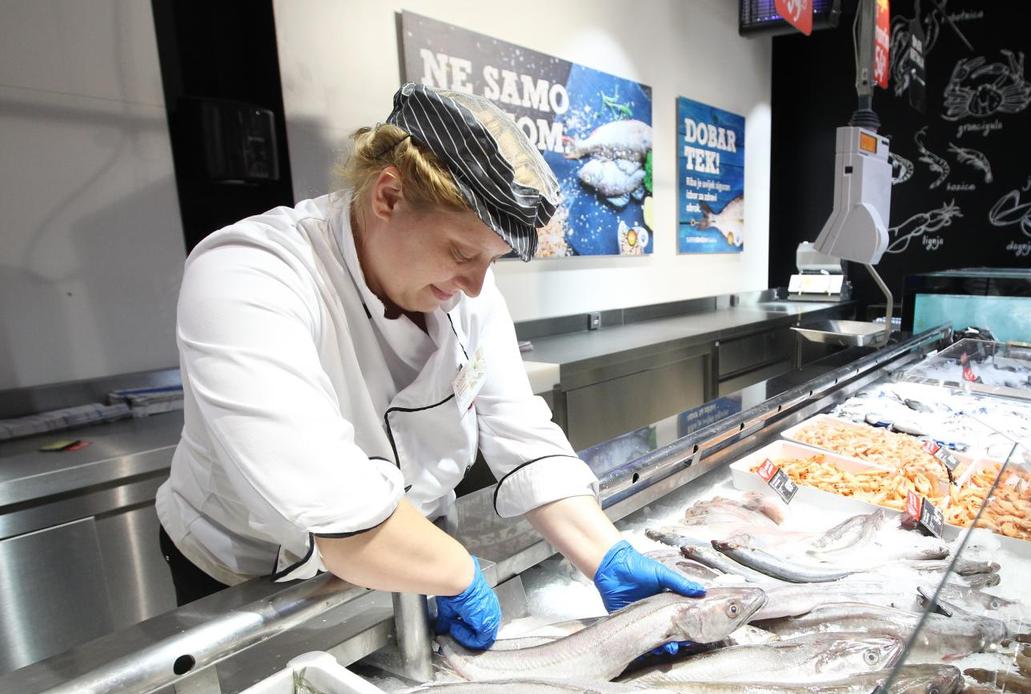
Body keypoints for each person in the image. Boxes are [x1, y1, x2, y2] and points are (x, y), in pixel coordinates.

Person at [155, 84, 703, 649]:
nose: (475, 285)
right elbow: (332, 502)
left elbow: (521, 434)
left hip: (412, 547)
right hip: (255, 578)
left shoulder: (463, 290)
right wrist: (455, 570)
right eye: (462, 253)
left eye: (492, 261)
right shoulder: (250, 273)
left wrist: (605, 552)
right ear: (388, 195)